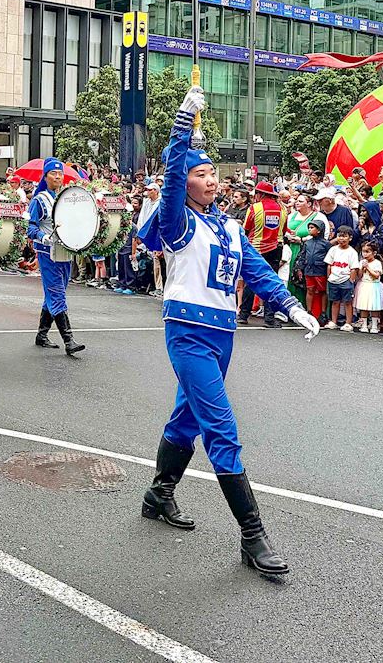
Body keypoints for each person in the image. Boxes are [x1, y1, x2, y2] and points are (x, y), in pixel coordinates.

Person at [138, 86, 320, 577]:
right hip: (188, 334)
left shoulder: (232, 228)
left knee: (186, 420)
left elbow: (258, 272)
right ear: (184, 182)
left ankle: (159, 493)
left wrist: (291, 306)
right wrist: (183, 123)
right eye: (200, 174)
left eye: (213, 173)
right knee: (222, 430)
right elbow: (170, 176)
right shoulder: (177, 223)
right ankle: (252, 536)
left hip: (223, 337)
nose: (210, 180)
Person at [26, 157, 85, 355]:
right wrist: (42, 237)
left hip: (65, 251)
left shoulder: (65, 197)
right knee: (57, 293)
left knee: (54, 293)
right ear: (45, 177)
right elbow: (30, 227)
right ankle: (69, 340)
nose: (58, 177)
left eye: (60, 173)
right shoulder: (39, 200)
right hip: (47, 252)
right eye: (54, 173)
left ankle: (42, 335)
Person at [239, 180, 286, 327]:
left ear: (260, 194)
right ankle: (269, 319)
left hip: (256, 248)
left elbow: (246, 229)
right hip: (276, 248)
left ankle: (244, 315)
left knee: (251, 282)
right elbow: (284, 230)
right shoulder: (282, 209)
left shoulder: (254, 208)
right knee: (271, 282)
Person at [324, 225, 358, 330]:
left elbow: (354, 268)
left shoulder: (352, 252)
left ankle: (348, 323)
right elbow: (329, 264)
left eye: (344, 236)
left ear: (350, 238)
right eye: (339, 236)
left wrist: (351, 280)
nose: (341, 238)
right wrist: (329, 277)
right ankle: (333, 321)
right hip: (333, 280)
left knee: (347, 302)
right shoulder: (333, 250)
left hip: (346, 280)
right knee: (335, 301)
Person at [300, 220, 330, 321]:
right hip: (309, 270)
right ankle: (309, 311)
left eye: (312, 228)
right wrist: (300, 268)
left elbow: (329, 258)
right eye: (309, 228)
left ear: (319, 230)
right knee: (310, 290)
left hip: (321, 270)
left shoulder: (326, 244)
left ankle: (323, 313)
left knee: (323, 291)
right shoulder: (307, 243)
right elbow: (302, 256)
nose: (309, 230)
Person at [353, 241, 383, 334]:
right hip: (364, 285)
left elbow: (376, 275)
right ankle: (364, 324)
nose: (365, 254)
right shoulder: (361, 262)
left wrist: (367, 267)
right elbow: (359, 276)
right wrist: (362, 269)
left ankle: (374, 325)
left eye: (367, 252)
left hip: (374, 286)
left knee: (374, 305)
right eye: (363, 251)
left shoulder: (377, 263)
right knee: (364, 305)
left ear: (374, 253)